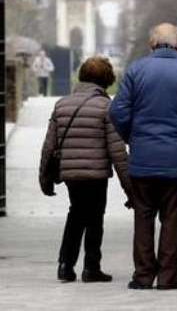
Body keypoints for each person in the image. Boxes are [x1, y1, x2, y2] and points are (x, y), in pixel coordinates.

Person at [109, 23, 177, 290]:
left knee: (143, 216)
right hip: (175, 159)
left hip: (143, 158)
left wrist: (132, 138)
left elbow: (118, 112)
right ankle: (168, 277)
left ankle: (143, 275)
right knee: (171, 217)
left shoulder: (135, 70)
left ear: (151, 44)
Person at [39, 56, 133, 283]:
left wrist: (45, 177)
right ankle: (91, 267)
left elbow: (49, 145)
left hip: (70, 173)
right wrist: (130, 188)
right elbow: (117, 151)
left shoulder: (61, 105)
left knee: (76, 213)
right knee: (94, 217)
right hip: (96, 173)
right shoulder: (106, 107)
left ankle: (65, 264)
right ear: (106, 80)